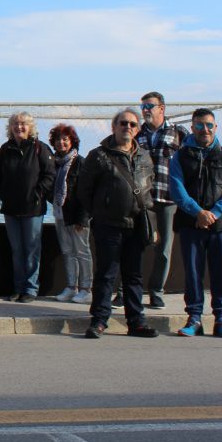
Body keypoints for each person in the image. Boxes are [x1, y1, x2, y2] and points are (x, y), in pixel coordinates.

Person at [77, 108, 158, 339]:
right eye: (123, 123)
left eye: (132, 124)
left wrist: (152, 222)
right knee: (106, 275)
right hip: (108, 225)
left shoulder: (144, 156)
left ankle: (136, 322)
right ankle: (99, 321)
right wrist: (100, 211)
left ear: (137, 129)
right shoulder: (98, 155)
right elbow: (84, 190)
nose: (127, 128)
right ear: (114, 127)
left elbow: (149, 189)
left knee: (134, 276)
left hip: (137, 225)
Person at [170, 108, 222, 338]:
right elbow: (177, 190)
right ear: (192, 128)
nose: (205, 130)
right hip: (190, 224)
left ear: (216, 127)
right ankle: (194, 318)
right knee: (193, 273)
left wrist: (213, 213)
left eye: (209, 125)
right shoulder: (180, 157)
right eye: (200, 125)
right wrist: (198, 213)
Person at [134, 91, 189, 309]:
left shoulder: (179, 133)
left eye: (149, 106)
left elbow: (189, 163)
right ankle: (126, 291)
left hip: (168, 199)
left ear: (162, 108)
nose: (145, 110)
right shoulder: (137, 133)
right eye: (143, 107)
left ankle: (156, 292)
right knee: (135, 245)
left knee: (164, 248)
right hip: (142, 200)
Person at [0, 112, 55, 303]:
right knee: (17, 250)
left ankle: (30, 288)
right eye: (15, 124)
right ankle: (18, 287)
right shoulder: (5, 149)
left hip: (33, 209)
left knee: (31, 250)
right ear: (10, 127)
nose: (19, 127)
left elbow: (50, 175)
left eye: (23, 124)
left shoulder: (40, 148)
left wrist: (37, 194)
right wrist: (3, 195)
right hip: (11, 209)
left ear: (30, 127)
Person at [48, 124, 92, 304]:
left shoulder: (80, 162)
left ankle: (86, 289)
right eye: (58, 139)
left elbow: (87, 192)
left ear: (72, 141)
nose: (61, 142)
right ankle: (71, 287)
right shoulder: (54, 164)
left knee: (82, 252)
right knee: (67, 251)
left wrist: (83, 218)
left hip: (77, 216)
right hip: (60, 213)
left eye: (65, 139)